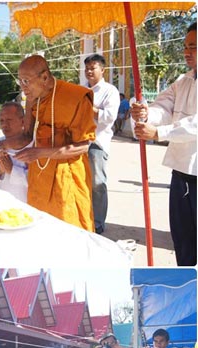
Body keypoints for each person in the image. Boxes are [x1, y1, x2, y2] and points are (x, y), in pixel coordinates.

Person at [131, 22, 197, 266]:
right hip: (180, 173)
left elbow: (195, 125)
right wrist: (145, 112)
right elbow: (163, 106)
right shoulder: (183, 81)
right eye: (185, 47)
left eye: (193, 46)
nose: (187, 52)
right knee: (183, 242)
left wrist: (158, 132)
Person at [15, 55, 96, 230]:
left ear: (44, 77)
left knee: (68, 229)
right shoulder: (34, 98)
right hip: (40, 175)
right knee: (40, 228)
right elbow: (28, 135)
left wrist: (40, 153)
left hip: (66, 174)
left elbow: (83, 146)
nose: (23, 87)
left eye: (26, 81)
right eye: (20, 81)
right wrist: (5, 144)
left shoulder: (75, 97)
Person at [84, 54, 120, 234]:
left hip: (97, 143)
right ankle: (83, 218)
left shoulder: (110, 91)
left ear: (103, 70)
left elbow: (109, 118)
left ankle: (98, 223)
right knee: (81, 182)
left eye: (93, 68)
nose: (89, 71)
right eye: (87, 68)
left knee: (98, 184)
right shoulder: (81, 90)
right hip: (80, 142)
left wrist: (90, 109)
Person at [0, 102, 31, 202]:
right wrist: (0, 171)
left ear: (22, 122)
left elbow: (37, 182)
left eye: (9, 120)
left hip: (25, 208)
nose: (4, 124)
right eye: (1, 120)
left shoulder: (32, 146)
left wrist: (12, 170)